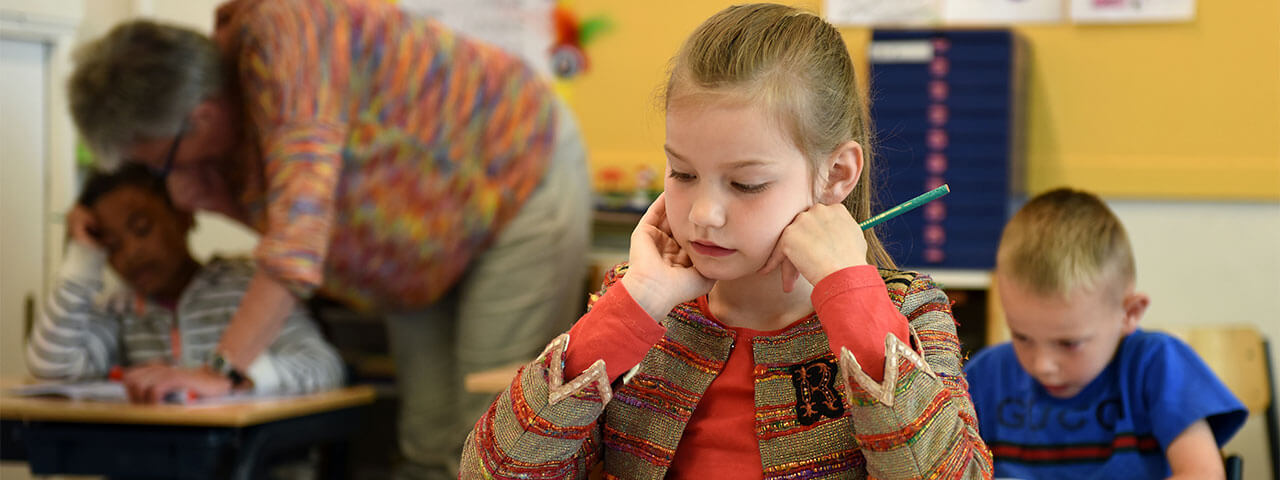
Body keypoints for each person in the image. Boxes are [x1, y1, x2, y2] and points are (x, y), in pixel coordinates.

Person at [460, 4, 992, 479]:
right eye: (682, 173)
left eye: (746, 184)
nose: (705, 215)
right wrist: (635, 304)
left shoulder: (906, 311)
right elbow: (493, 470)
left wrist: (851, 296)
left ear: (835, 174)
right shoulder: (640, 308)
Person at [65, 0, 590, 476]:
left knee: (495, 435)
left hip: (517, 176)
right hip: (418, 246)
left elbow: (298, 245)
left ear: (200, 117)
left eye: (157, 161)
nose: (165, 177)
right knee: (429, 446)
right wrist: (214, 192)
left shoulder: (285, 37)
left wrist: (221, 371)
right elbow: (313, 223)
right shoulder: (215, 129)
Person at [964, 187, 1248, 479]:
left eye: (1069, 343)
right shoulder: (986, 376)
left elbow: (1202, 474)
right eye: (1022, 337)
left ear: (1130, 313)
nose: (1042, 366)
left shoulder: (1157, 364)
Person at [25, 165, 344, 401]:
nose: (132, 253)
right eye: (112, 245)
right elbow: (52, 367)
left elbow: (322, 367)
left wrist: (230, 377)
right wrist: (82, 258)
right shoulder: (120, 309)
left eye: (142, 228)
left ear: (183, 216)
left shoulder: (250, 286)